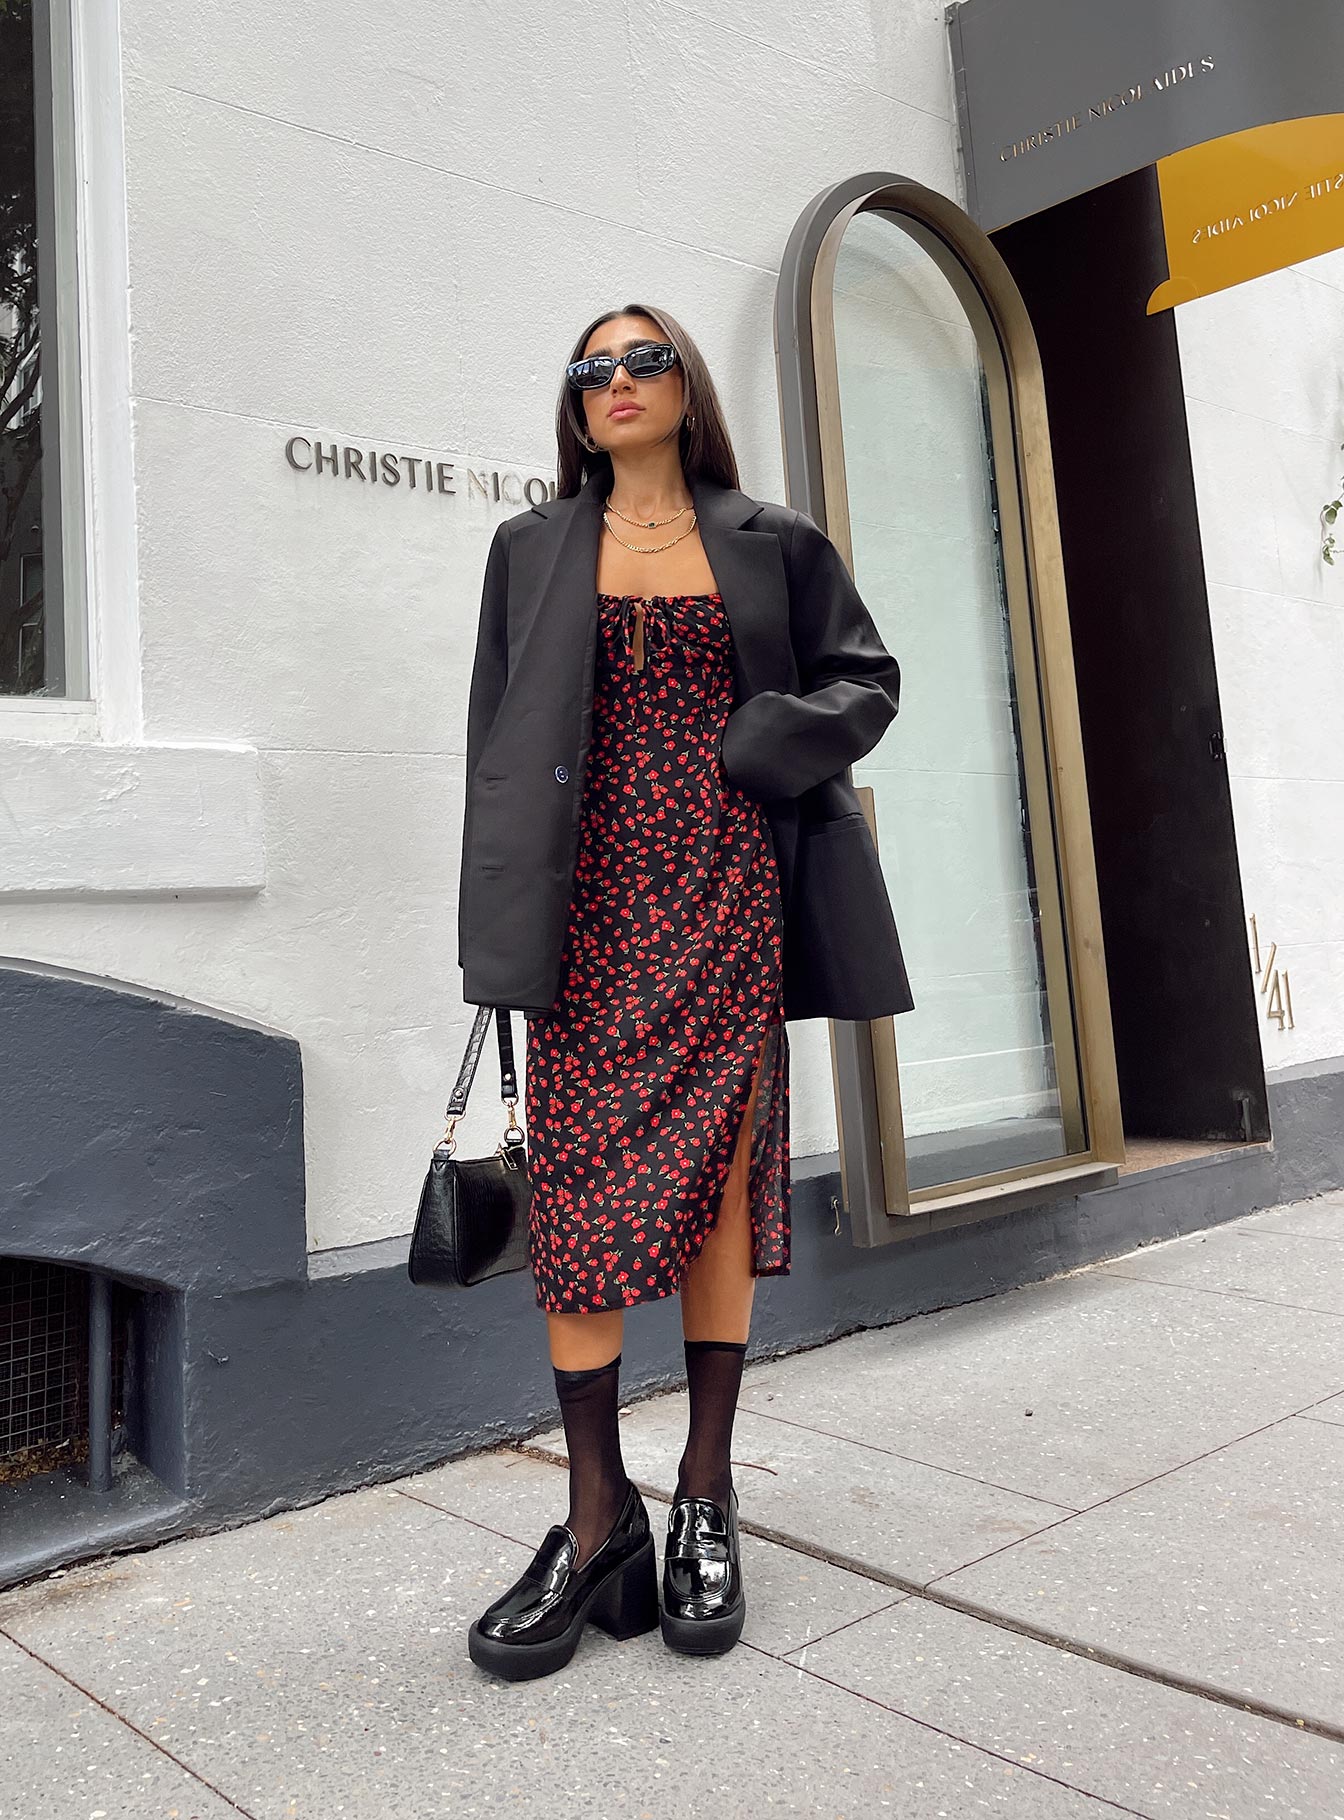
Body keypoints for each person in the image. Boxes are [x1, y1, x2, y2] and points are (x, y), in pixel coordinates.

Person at [460, 304, 904, 1681]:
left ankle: (706, 1493)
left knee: (715, 1178)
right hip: (586, 909)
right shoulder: (530, 548)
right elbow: (495, 748)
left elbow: (867, 678)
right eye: (591, 367)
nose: (617, 381)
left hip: (724, 894)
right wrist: (497, 931)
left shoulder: (771, 539)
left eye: (642, 358)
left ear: (686, 385)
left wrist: (769, 739)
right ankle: (599, 1519)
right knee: (580, 1192)